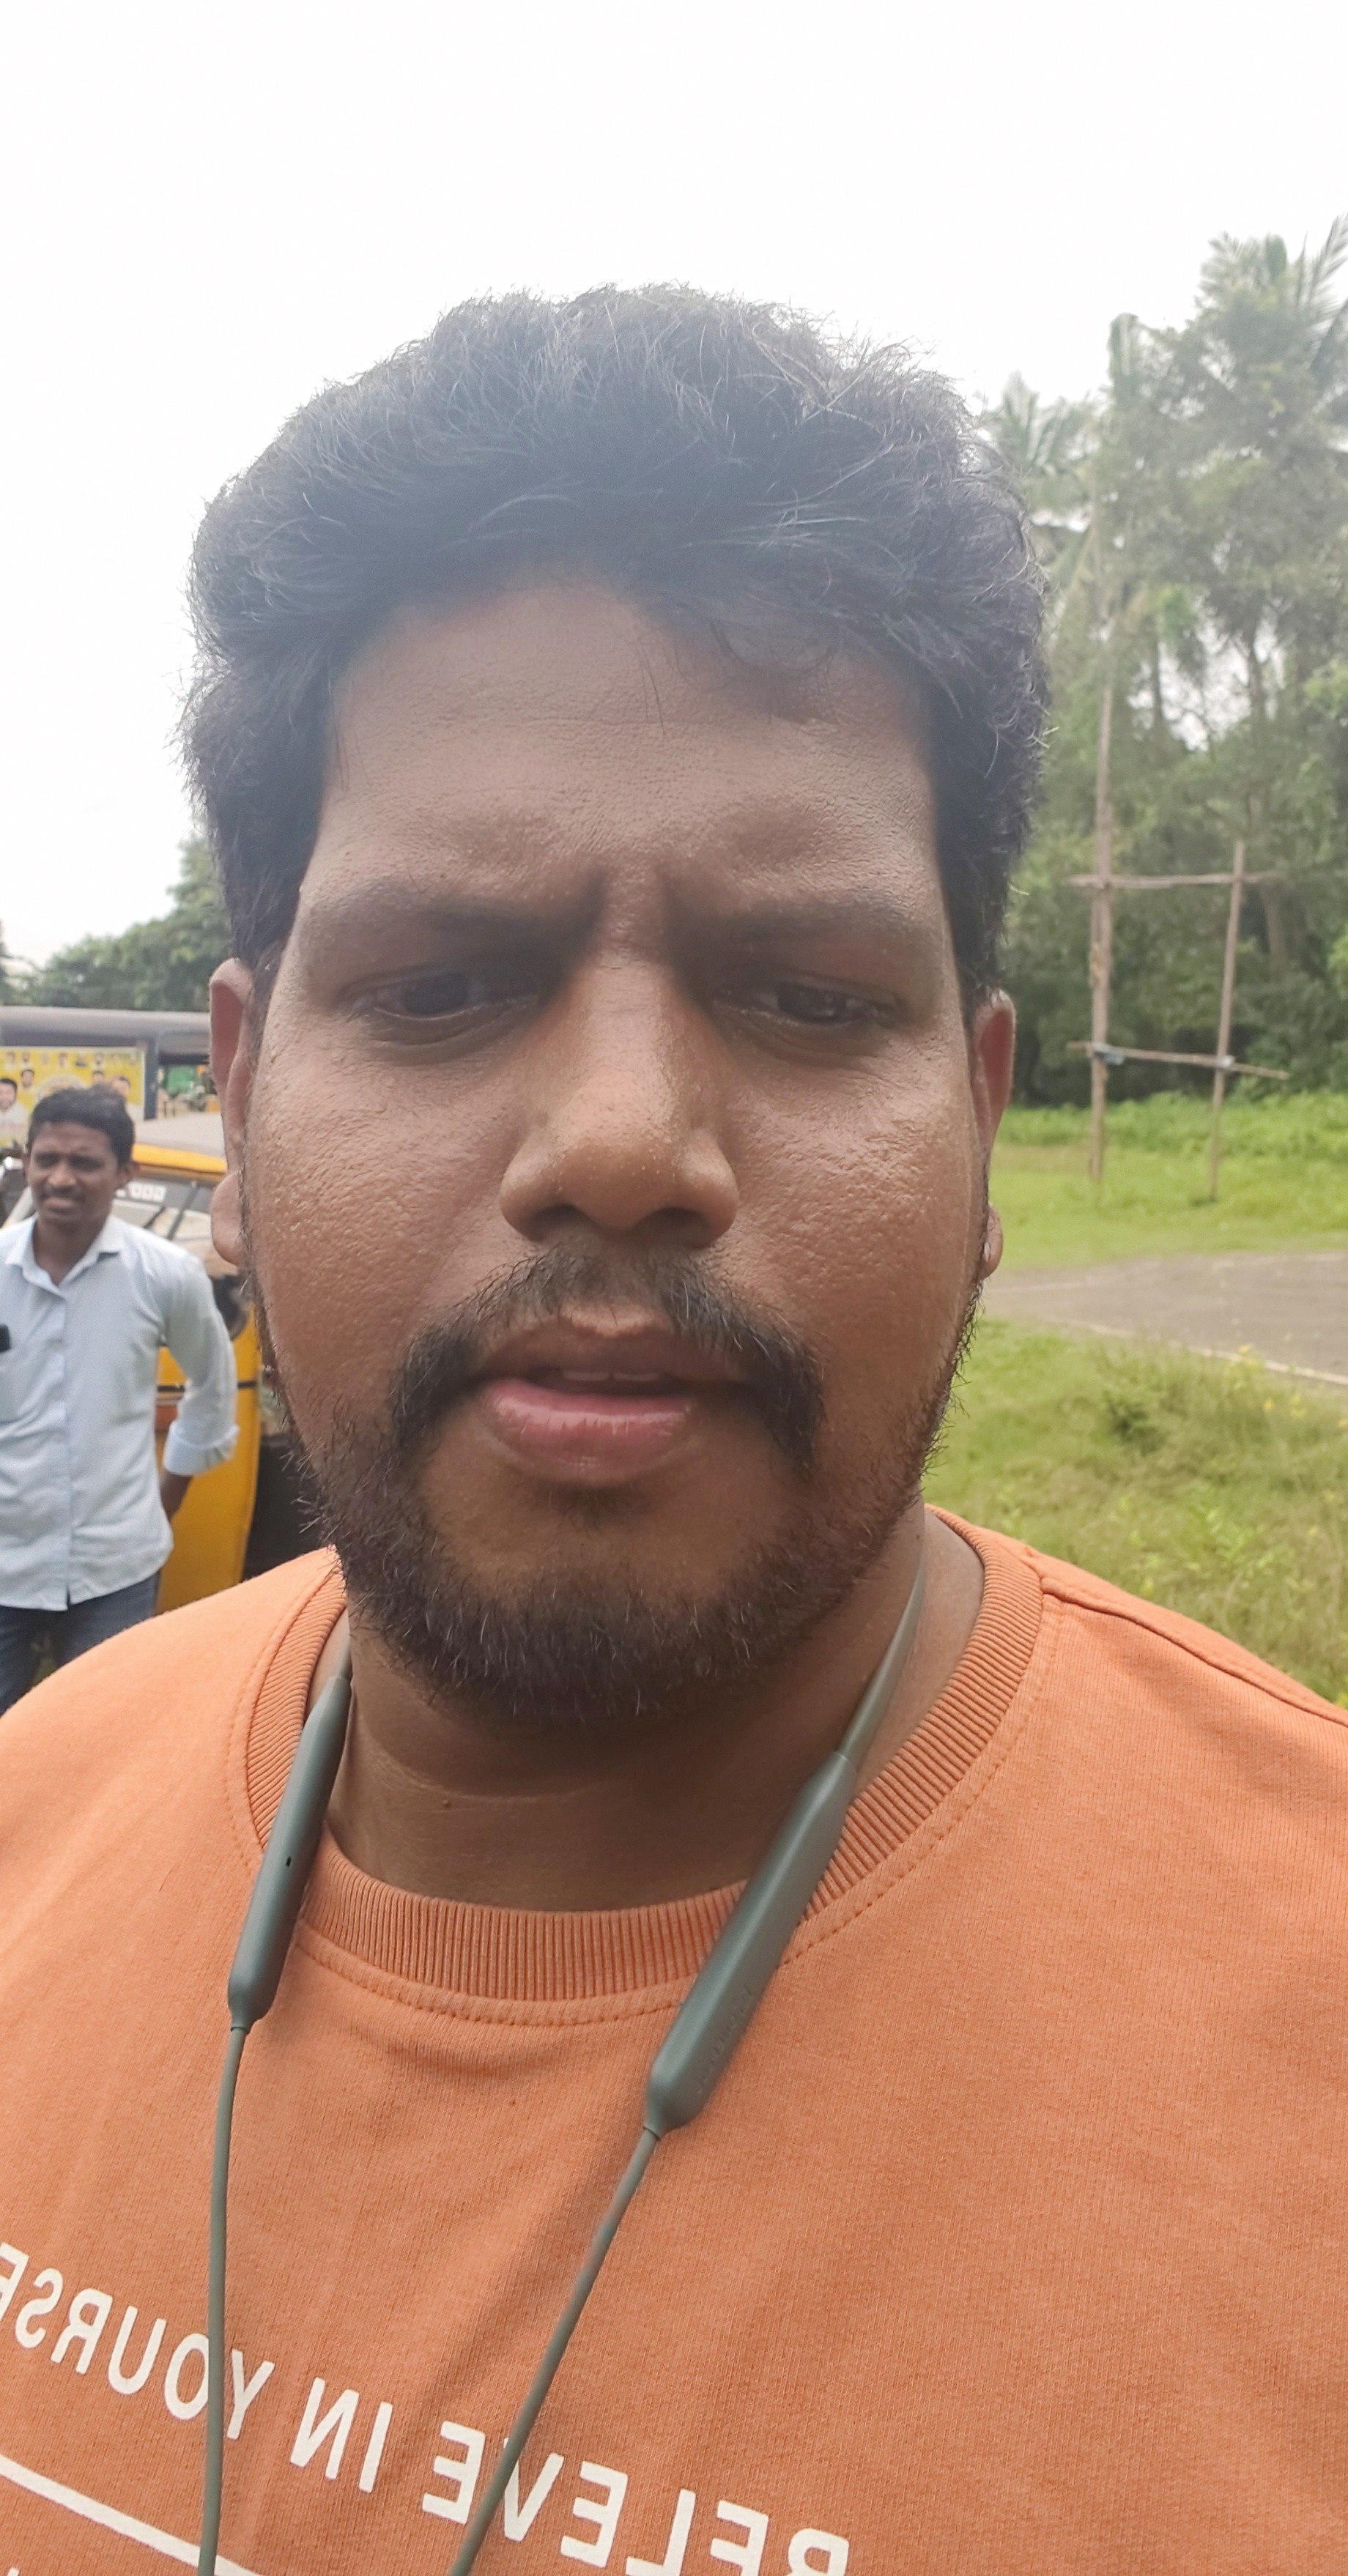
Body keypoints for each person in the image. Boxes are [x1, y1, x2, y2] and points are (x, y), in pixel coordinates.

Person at [0, 293, 1344, 2576]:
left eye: (806, 995)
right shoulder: (31, 1816)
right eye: (440, 985)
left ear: (980, 1125)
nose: (622, 1142)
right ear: (238, 1091)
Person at [0, 1083, 237, 1715]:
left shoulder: (165, 1275)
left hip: (115, 1568)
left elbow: (212, 1387)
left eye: (84, 1162)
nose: (61, 1178)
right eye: (47, 1159)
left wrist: (163, 1504)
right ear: (27, 1163)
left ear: (124, 1173)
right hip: (3, 1563)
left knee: (105, 1730)